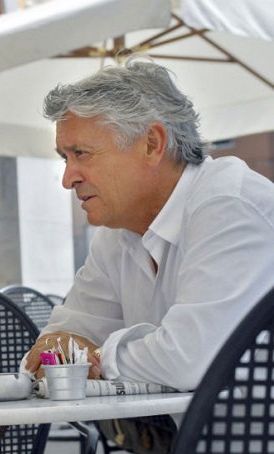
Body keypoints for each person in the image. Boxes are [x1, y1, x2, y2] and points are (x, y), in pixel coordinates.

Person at [25, 58, 274, 392]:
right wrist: (72, 353)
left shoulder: (228, 204)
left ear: (152, 144)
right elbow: (52, 351)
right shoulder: (116, 233)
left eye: (81, 153)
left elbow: (190, 361)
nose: (68, 179)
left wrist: (98, 356)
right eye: (64, 158)